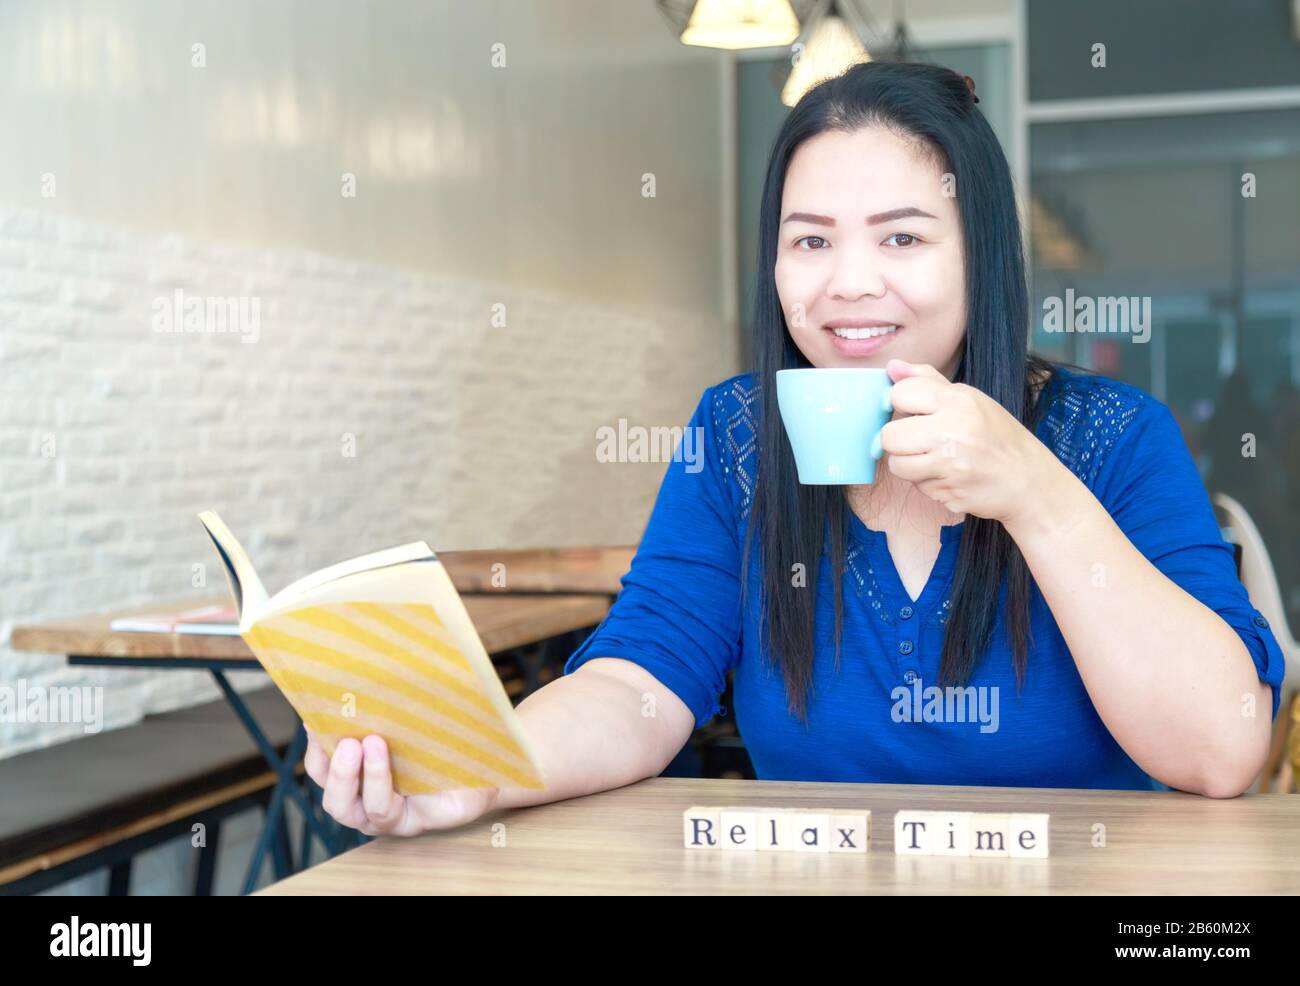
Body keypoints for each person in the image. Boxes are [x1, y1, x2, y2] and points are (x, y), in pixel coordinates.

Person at [305, 61, 1287, 837]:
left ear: (980, 255)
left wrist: (1034, 492)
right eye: (809, 241)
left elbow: (1220, 749)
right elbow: (638, 682)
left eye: (901, 239)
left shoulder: (1109, 437)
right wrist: (474, 776)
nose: (847, 283)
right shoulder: (738, 434)